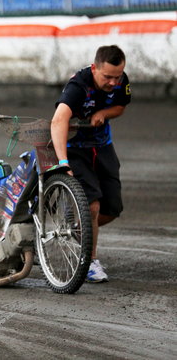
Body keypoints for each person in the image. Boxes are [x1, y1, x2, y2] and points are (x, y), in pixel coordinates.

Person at [51, 45, 131, 283]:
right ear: (95, 68)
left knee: (111, 209)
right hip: (76, 149)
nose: (113, 82)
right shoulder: (78, 87)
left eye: (117, 77)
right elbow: (58, 121)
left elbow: (121, 106)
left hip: (102, 147)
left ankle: (76, 224)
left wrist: (105, 113)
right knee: (92, 206)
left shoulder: (120, 80)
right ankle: (90, 261)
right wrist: (63, 161)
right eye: (107, 77)